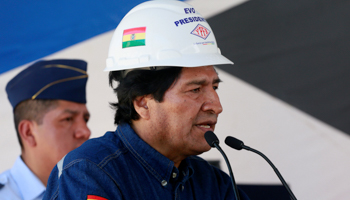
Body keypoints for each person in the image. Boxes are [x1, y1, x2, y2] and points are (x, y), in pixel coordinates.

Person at [44, 1, 249, 199]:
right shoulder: (90, 172)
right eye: (195, 89)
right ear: (142, 103)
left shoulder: (215, 183)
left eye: (215, 87)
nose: (217, 106)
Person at [0, 59, 91, 200]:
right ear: (28, 133)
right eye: (67, 119)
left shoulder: (95, 188)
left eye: (85, 119)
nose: (85, 131)